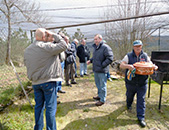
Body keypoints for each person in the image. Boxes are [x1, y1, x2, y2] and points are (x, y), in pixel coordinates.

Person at [24, 28, 67, 130]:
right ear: (44, 37)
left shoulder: (28, 49)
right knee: (50, 108)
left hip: (35, 83)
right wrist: (54, 35)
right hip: (48, 82)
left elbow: (26, 63)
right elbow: (64, 45)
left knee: (38, 107)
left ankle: (38, 128)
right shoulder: (46, 47)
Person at [120, 40, 158, 127]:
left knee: (141, 100)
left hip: (142, 83)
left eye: (139, 46)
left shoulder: (145, 56)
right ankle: (129, 104)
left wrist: (154, 66)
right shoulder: (128, 56)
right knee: (130, 95)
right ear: (133, 47)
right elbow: (121, 65)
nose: (138, 48)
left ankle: (141, 118)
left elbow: (150, 64)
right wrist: (128, 66)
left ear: (141, 47)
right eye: (136, 46)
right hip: (131, 82)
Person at [87, 34, 113, 106]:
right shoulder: (96, 47)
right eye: (94, 39)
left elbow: (110, 58)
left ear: (100, 39)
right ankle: (99, 96)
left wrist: (102, 65)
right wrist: (90, 60)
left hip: (102, 70)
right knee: (98, 84)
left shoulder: (105, 47)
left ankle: (102, 100)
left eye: (96, 39)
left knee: (102, 85)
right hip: (96, 69)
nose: (95, 41)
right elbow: (95, 57)